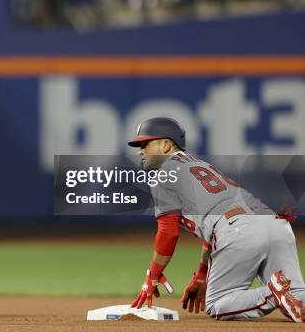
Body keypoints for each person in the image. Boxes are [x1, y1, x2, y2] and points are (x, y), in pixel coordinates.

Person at [128, 117, 305, 322]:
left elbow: (168, 232)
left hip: (239, 230)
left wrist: (153, 274)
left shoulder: (163, 174)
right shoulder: (201, 165)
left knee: (217, 304)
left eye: (145, 144)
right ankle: (280, 292)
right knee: (296, 296)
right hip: (276, 224)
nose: (141, 150)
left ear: (166, 145)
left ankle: (271, 293)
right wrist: (201, 275)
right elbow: (211, 229)